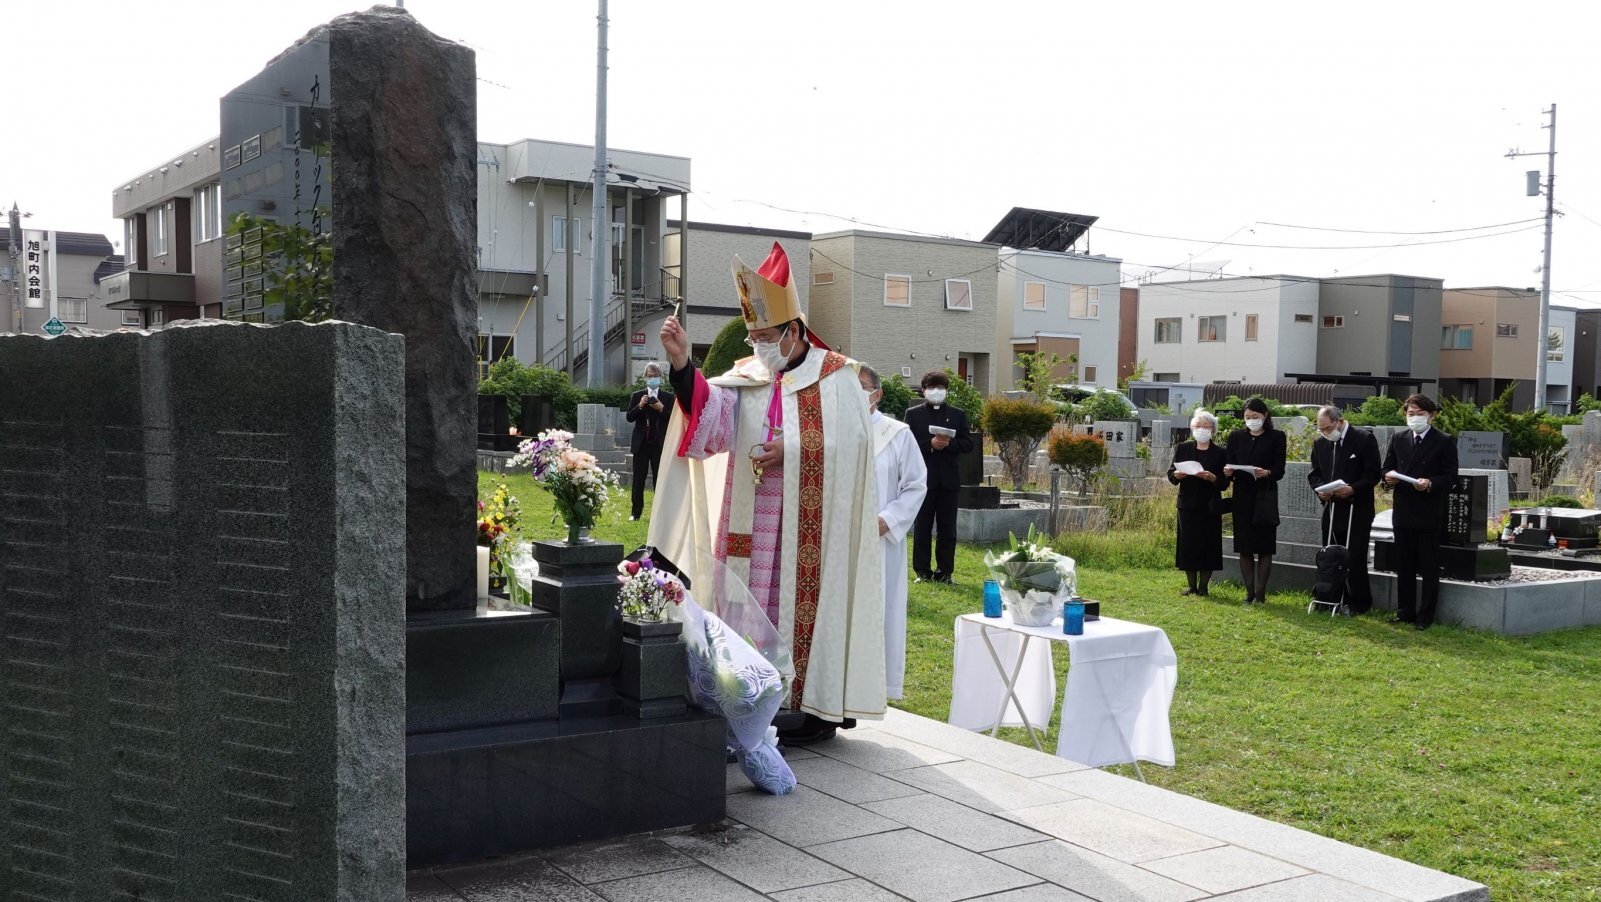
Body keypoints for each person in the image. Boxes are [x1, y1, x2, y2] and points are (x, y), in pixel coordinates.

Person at [649, 241, 884, 744]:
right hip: (749, 525)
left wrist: (793, 450)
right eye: (752, 336)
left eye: (765, 336)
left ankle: (814, 708)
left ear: (794, 330)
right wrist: (684, 367)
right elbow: (710, 421)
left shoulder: (837, 375)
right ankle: (747, 695)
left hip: (810, 531)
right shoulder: (746, 377)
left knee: (804, 609)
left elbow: (857, 447)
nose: (756, 346)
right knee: (745, 603)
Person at [859, 364, 927, 700]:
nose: (855, 394)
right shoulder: (832, 431)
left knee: (880, 608)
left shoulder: (897, 433)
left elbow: (915, 485)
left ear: (877, 393)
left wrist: (887, 519)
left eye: (861, 386)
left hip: (880, 539)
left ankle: (875, 685)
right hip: (838, 540)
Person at [1381, 394, 1458, 630]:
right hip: (1403, 509)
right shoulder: (1399, 437)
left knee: (1428, 565)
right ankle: (1405, 611)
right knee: (1404, 564)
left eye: (1420, 414)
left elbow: (1451, 477)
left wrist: (1429, 483)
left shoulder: (1444, 441)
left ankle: (1425, 615)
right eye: (1410, 414)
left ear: (1432, 415)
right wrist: (1388, 479)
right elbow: (1387, 467)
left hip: (1428, 511)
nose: (1414, 418)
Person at [1306, 405, 1383, 614]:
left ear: (1340, 421)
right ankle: (1329, 597)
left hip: (1356, 508)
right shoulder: (1320, 442)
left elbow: (1373, 473)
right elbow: (1314, 474)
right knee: (1330, 554)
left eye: (1328, 428)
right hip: (1331, 507)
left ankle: (1358, 602)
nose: (1324, 433)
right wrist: (1319, 489)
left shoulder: (1363, 439)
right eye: (1320, 429)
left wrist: (1352, 489)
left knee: (1355, 556)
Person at [905, 371, 974, 584]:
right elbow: (906, 444)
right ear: (924, 390)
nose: (937, 392)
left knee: (948, 529)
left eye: (941, 388)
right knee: (922, 526)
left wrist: (950, 444)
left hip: (949, 480)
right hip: (923, 479)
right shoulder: (913, 414)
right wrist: (930, 445)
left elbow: (968, 443)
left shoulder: (957, 414)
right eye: (932, 387)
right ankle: (922, 572)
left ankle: (945, 572)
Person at [1225, 398, 1287, 604]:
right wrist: (1228, 471)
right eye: (1247, 417)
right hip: (1242, 495)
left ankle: (1261, 594)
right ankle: (1249, 592)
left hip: (1265, 495)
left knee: (1265, 546)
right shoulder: (1236, 437)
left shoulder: (1276, 437)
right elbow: (1230, 463)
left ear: (1265, 416)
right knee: (1244, 546)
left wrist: (1266, 472)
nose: (1251, 420)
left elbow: (1279, 470)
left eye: (1256, 417)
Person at [1167, 409, 1229, 596]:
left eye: (1206, 426)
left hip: (1210, 504)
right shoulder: (1183, 448)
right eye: (1197, 426)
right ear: (1192, 428)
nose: (1201, 429)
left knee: (1208, 545)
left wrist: (1212, 477)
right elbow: (1171, 473)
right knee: (1188, 544)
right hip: (1187, 503)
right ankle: (1191, 585)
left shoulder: (1221, 452)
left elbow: (1224, 483)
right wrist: (1176, 475)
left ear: (1213, 430)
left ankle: (1204, 587)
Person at [625, 361, 674, 521]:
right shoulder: (638, 395)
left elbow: (672, 419)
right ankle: (635, 512)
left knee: (659, 479)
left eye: (655, 376)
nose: (652, 379)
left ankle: (660, 514)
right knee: (639, 478)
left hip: (659, 444)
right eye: (650, 376)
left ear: (660, 378)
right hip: (641, 443)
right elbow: (629, 417)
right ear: (645, 377)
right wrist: (640, 406)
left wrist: (661, 408)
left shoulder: (667, 397)